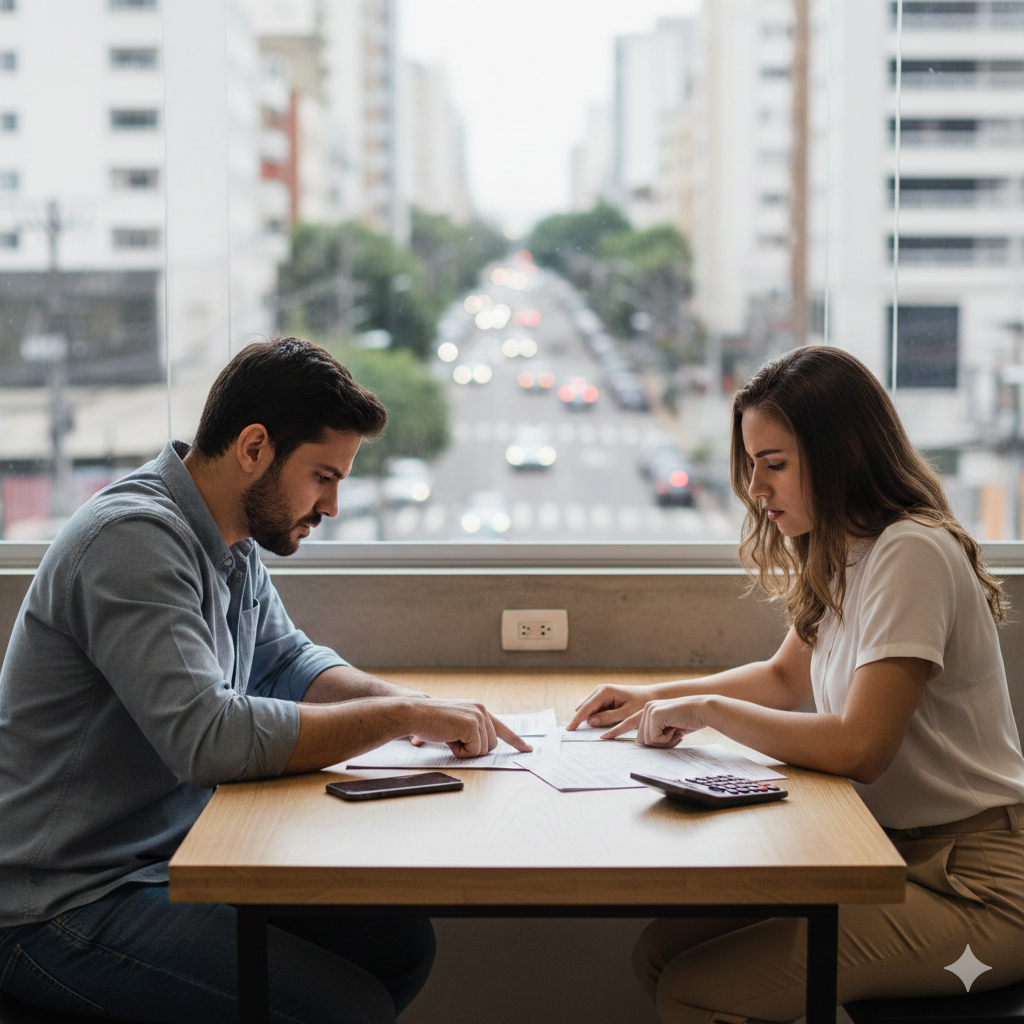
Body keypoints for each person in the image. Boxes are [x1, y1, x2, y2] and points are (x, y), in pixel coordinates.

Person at [0, 337, 531, 1024]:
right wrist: (401, 720)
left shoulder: (230, 538)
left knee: (398, 943)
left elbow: (285, 663)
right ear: (254, 448)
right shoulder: (132, 542)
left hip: (166, 861)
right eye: (323, 477)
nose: (332, 505)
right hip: (61, 902)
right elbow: (210, 740)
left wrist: (417, 704)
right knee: (347, 1010)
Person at [569, 345, 1024, 1024]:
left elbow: (859, 749)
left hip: (980, 886)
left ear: (841, 451)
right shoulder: (845, 550)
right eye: (753, 466)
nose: (756, 490)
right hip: (889, 857)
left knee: (695, 990)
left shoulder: (911, 551)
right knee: (661, 954)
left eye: (773, 465)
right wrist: (657, 697)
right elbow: (786, 677)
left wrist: (708, 709)